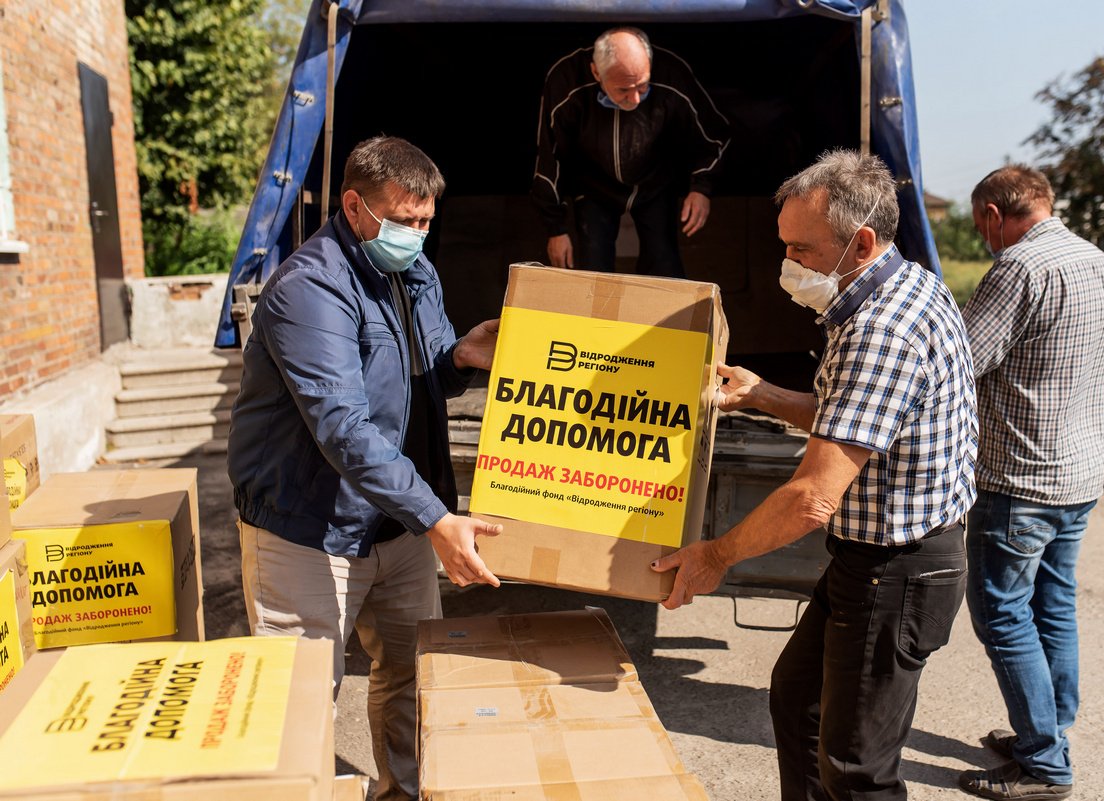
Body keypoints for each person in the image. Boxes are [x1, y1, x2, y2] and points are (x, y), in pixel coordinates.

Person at [652, 150, 979, 801]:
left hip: (897, 569)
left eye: (801, 249)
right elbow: (858, 421)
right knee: (798, 704)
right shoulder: (898, 286)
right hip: (876, 558)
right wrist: (762, 392)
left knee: (859, 771)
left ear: (860, 242)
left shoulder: (882, 329)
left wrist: (716, 554)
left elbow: (811, 497)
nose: (788, 265)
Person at [226, 136, 503, 801]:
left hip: (395, 519)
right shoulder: (309, 289)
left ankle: (401, 791)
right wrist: (437, 515)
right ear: (353, 205)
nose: (417, 235)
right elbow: (343, 427)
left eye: (427, 222)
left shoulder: (415, 273)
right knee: (299, 702)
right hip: (307, 525)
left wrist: (462, 353)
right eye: (405, 220)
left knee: (409, 677)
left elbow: (422, 369)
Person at [956, 166, 1104, 801]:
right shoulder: (1097, 260)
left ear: (995, 216)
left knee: (1002, 613)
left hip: (1020, 479)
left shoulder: (1018, 269)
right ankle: (1048, 732)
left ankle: (1046, 764)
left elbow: (964, 361)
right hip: (1080, 475)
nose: (984, 240)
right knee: (1052, 607)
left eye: (981, 229)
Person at [531, 26, 730, 278]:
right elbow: (550, 156)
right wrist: (555, 229)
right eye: (623, 90)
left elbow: (713, 135)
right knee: (593, 273)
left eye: (643, 86)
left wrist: (701, 187)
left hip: (655, 180)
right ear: (596, 72)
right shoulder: (566, 79)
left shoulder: (671, 73)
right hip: (593, 184)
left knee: (664, 268)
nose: (635, 99)